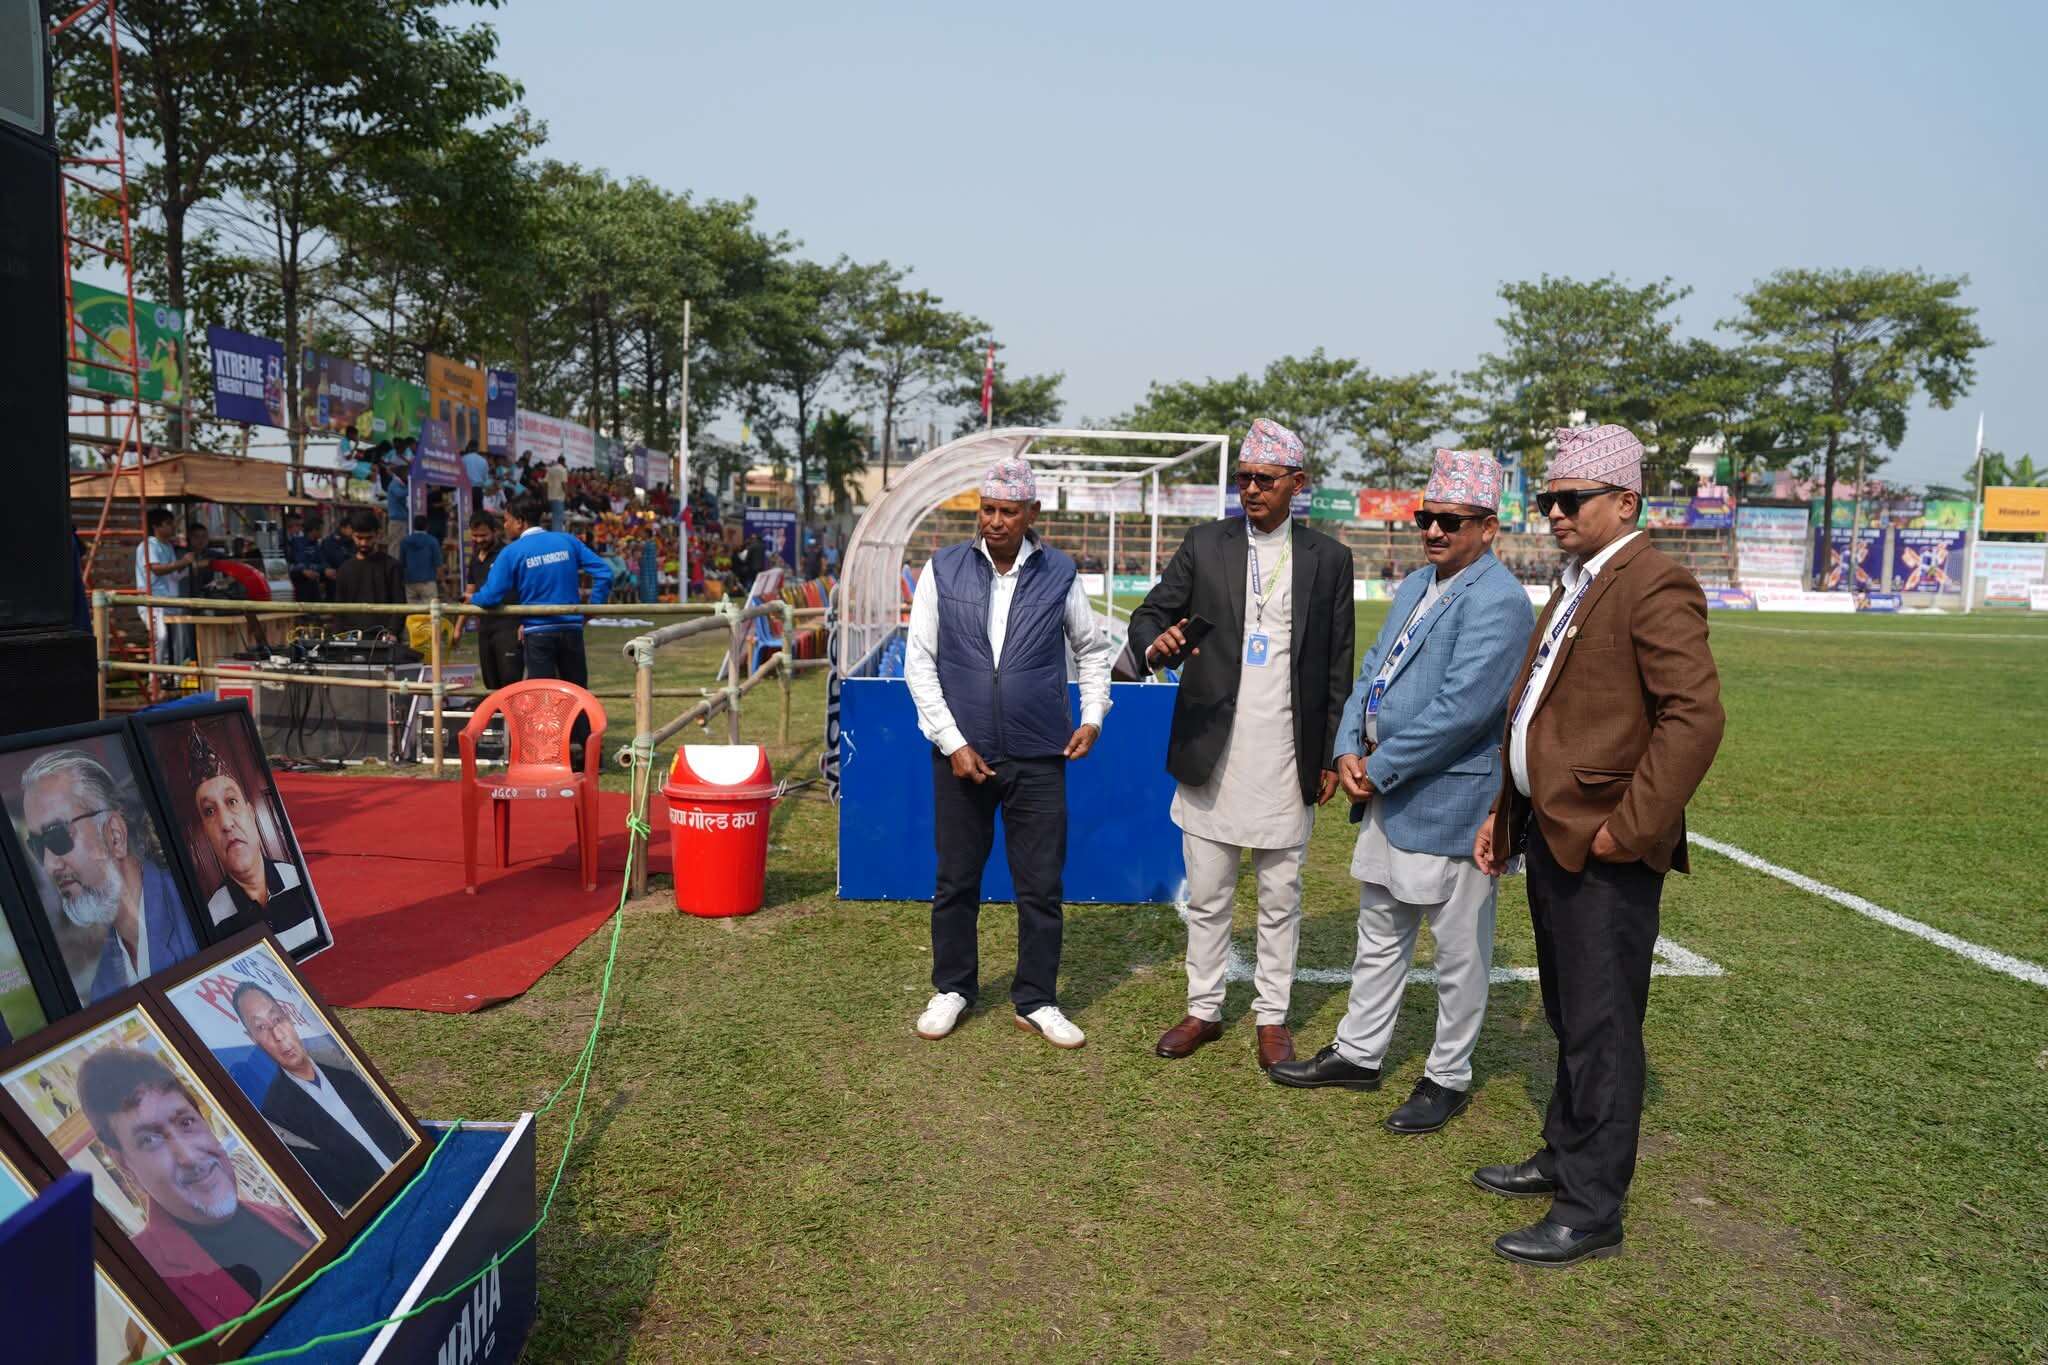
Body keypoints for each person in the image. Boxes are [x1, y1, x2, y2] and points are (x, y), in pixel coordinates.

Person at [1472, 424, 1725, 1267]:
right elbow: (1541, 709)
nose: (1553, 512)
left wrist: (1631, 826)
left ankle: (1590, 1209)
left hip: (1604, 846)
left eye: (1570, 499)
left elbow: (1695, 715)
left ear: (1625, 501)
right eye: (1549, 498)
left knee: (1603, 1025)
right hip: (1553, 832)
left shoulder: (1653, 581)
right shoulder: (1580, 579)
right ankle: (1564, 1152)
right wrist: (1508, 812)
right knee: (1569, 1013)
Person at [1268, 450, 1535, 1133]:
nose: (1434, 530)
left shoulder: (1501, 601)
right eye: (1426, 518)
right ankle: (1359, 1054)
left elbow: (1463, 710)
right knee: (1380, 932)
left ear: (1488, 527)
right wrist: (1347, 746)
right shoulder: (1418, 582)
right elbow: (1371, 673)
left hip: (1453, 800)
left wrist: (1378, 766)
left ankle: (1448, 1075)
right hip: (1389, 793)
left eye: (1451, 520)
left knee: (1459, 952)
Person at [1127, 419, 1355, 1070]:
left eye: (1265, 479)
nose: (1251, 489)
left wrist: (1329, 754)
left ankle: (1272, 1016)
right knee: (1208, 892)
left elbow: (1337, 664)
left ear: (1297, 484)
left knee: (1281, 896)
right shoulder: (1205, 544)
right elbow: (1151, 613)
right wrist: (1155, 642)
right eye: (1244, 478)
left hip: (1287, 750)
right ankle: (1203, 1008)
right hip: (1212, 746)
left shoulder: (1329, 559)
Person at [905, 456, 1111, 1050]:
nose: (995, 521)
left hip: (1039, 753)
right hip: (962, 754)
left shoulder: (1060, 572)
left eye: (1008, 512)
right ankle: (952, 988)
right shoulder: (943, 569)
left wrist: (1093, 716)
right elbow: (920, 662)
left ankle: (1037, 999)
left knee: (1040, 886)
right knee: (956, 881)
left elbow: (1091, 650)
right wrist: (953, 742)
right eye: (988, 510)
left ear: (1031, 513)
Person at [76, 1048, 314, 1327]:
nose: (188, 1157)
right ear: (124, 1164)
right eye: (150, 1140)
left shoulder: (282, 1216)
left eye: (186, 1122)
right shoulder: (136, 1283)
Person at [19, 750, 199, 1002]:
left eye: (57, 836)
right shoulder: (104, 986)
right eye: (37, 847)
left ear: (114, 835)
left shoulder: (197, 910)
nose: (50, 865)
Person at [232, 981, 409, 1209]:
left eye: (277, 1019)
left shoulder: (341, 1061)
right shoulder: (276, 1114)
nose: (278, 1035)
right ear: (252, 1038)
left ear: (288, 1016)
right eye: (262, 1028)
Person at [471, 494, 613, 753]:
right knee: (578, 693)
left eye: (507, 520)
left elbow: (491, 596)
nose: (505, 525)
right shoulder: (567, 541)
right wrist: (593, 608)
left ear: (520, 521)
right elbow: (604, 572)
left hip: (538, 633)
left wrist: (472, 599)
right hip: (571, 630)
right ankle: (590, 756)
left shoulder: (511, 552)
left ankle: (547, 756)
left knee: (543, 697)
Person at [183, 728, 315, 937]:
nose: (226, 823)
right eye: (209, 811)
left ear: (251, 814)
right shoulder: (212, 918)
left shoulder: (299, 880)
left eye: (232, 802)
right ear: (206, 834)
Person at [464, 513, 525, 690]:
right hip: (485, 627)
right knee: (490, 683)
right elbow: (469, 593)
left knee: (510, 681)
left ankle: (512, 710)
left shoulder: (508, 554)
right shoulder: (475, 558)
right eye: (475, 535)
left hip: (509, 625)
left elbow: (524, 587)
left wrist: (525, 621)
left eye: (483, 535)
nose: (479, 540)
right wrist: (458, 627)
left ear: (495, 531)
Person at [135, 506, 198, 665]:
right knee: (160, 637)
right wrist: (183, 562)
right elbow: (156, 569)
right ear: (156, 526)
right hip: (151, 601)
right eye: (168, 523)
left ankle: (176, 673)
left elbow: (173, 575)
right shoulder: (148, 545)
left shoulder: (168, 546)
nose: (173, 527)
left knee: (180, 636)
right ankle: (155, 674)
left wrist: (189, 568)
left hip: (168, 600)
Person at [333, 508, 405, 635]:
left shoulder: (392, 566)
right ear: (352, 535)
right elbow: (339, 609)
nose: (364, 543)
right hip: (351, 637)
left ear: (378, 534)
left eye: (368, 538)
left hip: (383, 636)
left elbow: (400, 603)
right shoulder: (344, 569)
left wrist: (392, 632)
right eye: (359, 538)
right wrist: (339, 635)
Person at [397, 516, 441, 605]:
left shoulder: (405, 541)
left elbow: (401, 563)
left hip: (410, 582)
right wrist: (442, 581)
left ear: (413, 526)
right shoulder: (432, 541)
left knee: (413, 611)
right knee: (430, 610)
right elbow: (438, 563)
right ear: (427, 526)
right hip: (428, 582)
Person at [284, 513, 323, 604]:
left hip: (311, 580)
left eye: (301, 526)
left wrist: (317, 569)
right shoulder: (291, 542)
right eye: (298, 525)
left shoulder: (315, 543)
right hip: (297, 581)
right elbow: (290, 564)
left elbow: (321, 562)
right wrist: (302, 570)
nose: (301, 529)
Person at [317, 515, 353, 602]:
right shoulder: (329, 542)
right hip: (334, 581)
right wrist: (326, 568)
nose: (354, 531)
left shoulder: (353, 541)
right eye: (352, 528)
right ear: (343, 528)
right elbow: (322, 559)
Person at [461, 440, 489, 516]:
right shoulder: (483, 461)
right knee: (478, 513)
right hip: (478, 490)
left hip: (466, 489)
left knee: (466, 513)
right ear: (477, 448)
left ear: (469, 447)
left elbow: (460, 475)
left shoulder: (463, 459)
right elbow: (485, 478)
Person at [545, 456, 569, 531]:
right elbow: (564, 484)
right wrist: (567, 495)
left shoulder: (550, 469)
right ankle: (556, 535)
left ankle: (553, 534)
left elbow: (545, 483)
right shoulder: (563, 470)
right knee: (558, 519)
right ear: (563, 462)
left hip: (550, 497)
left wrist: (545, 495)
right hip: (559, 497)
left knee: (554, 518)